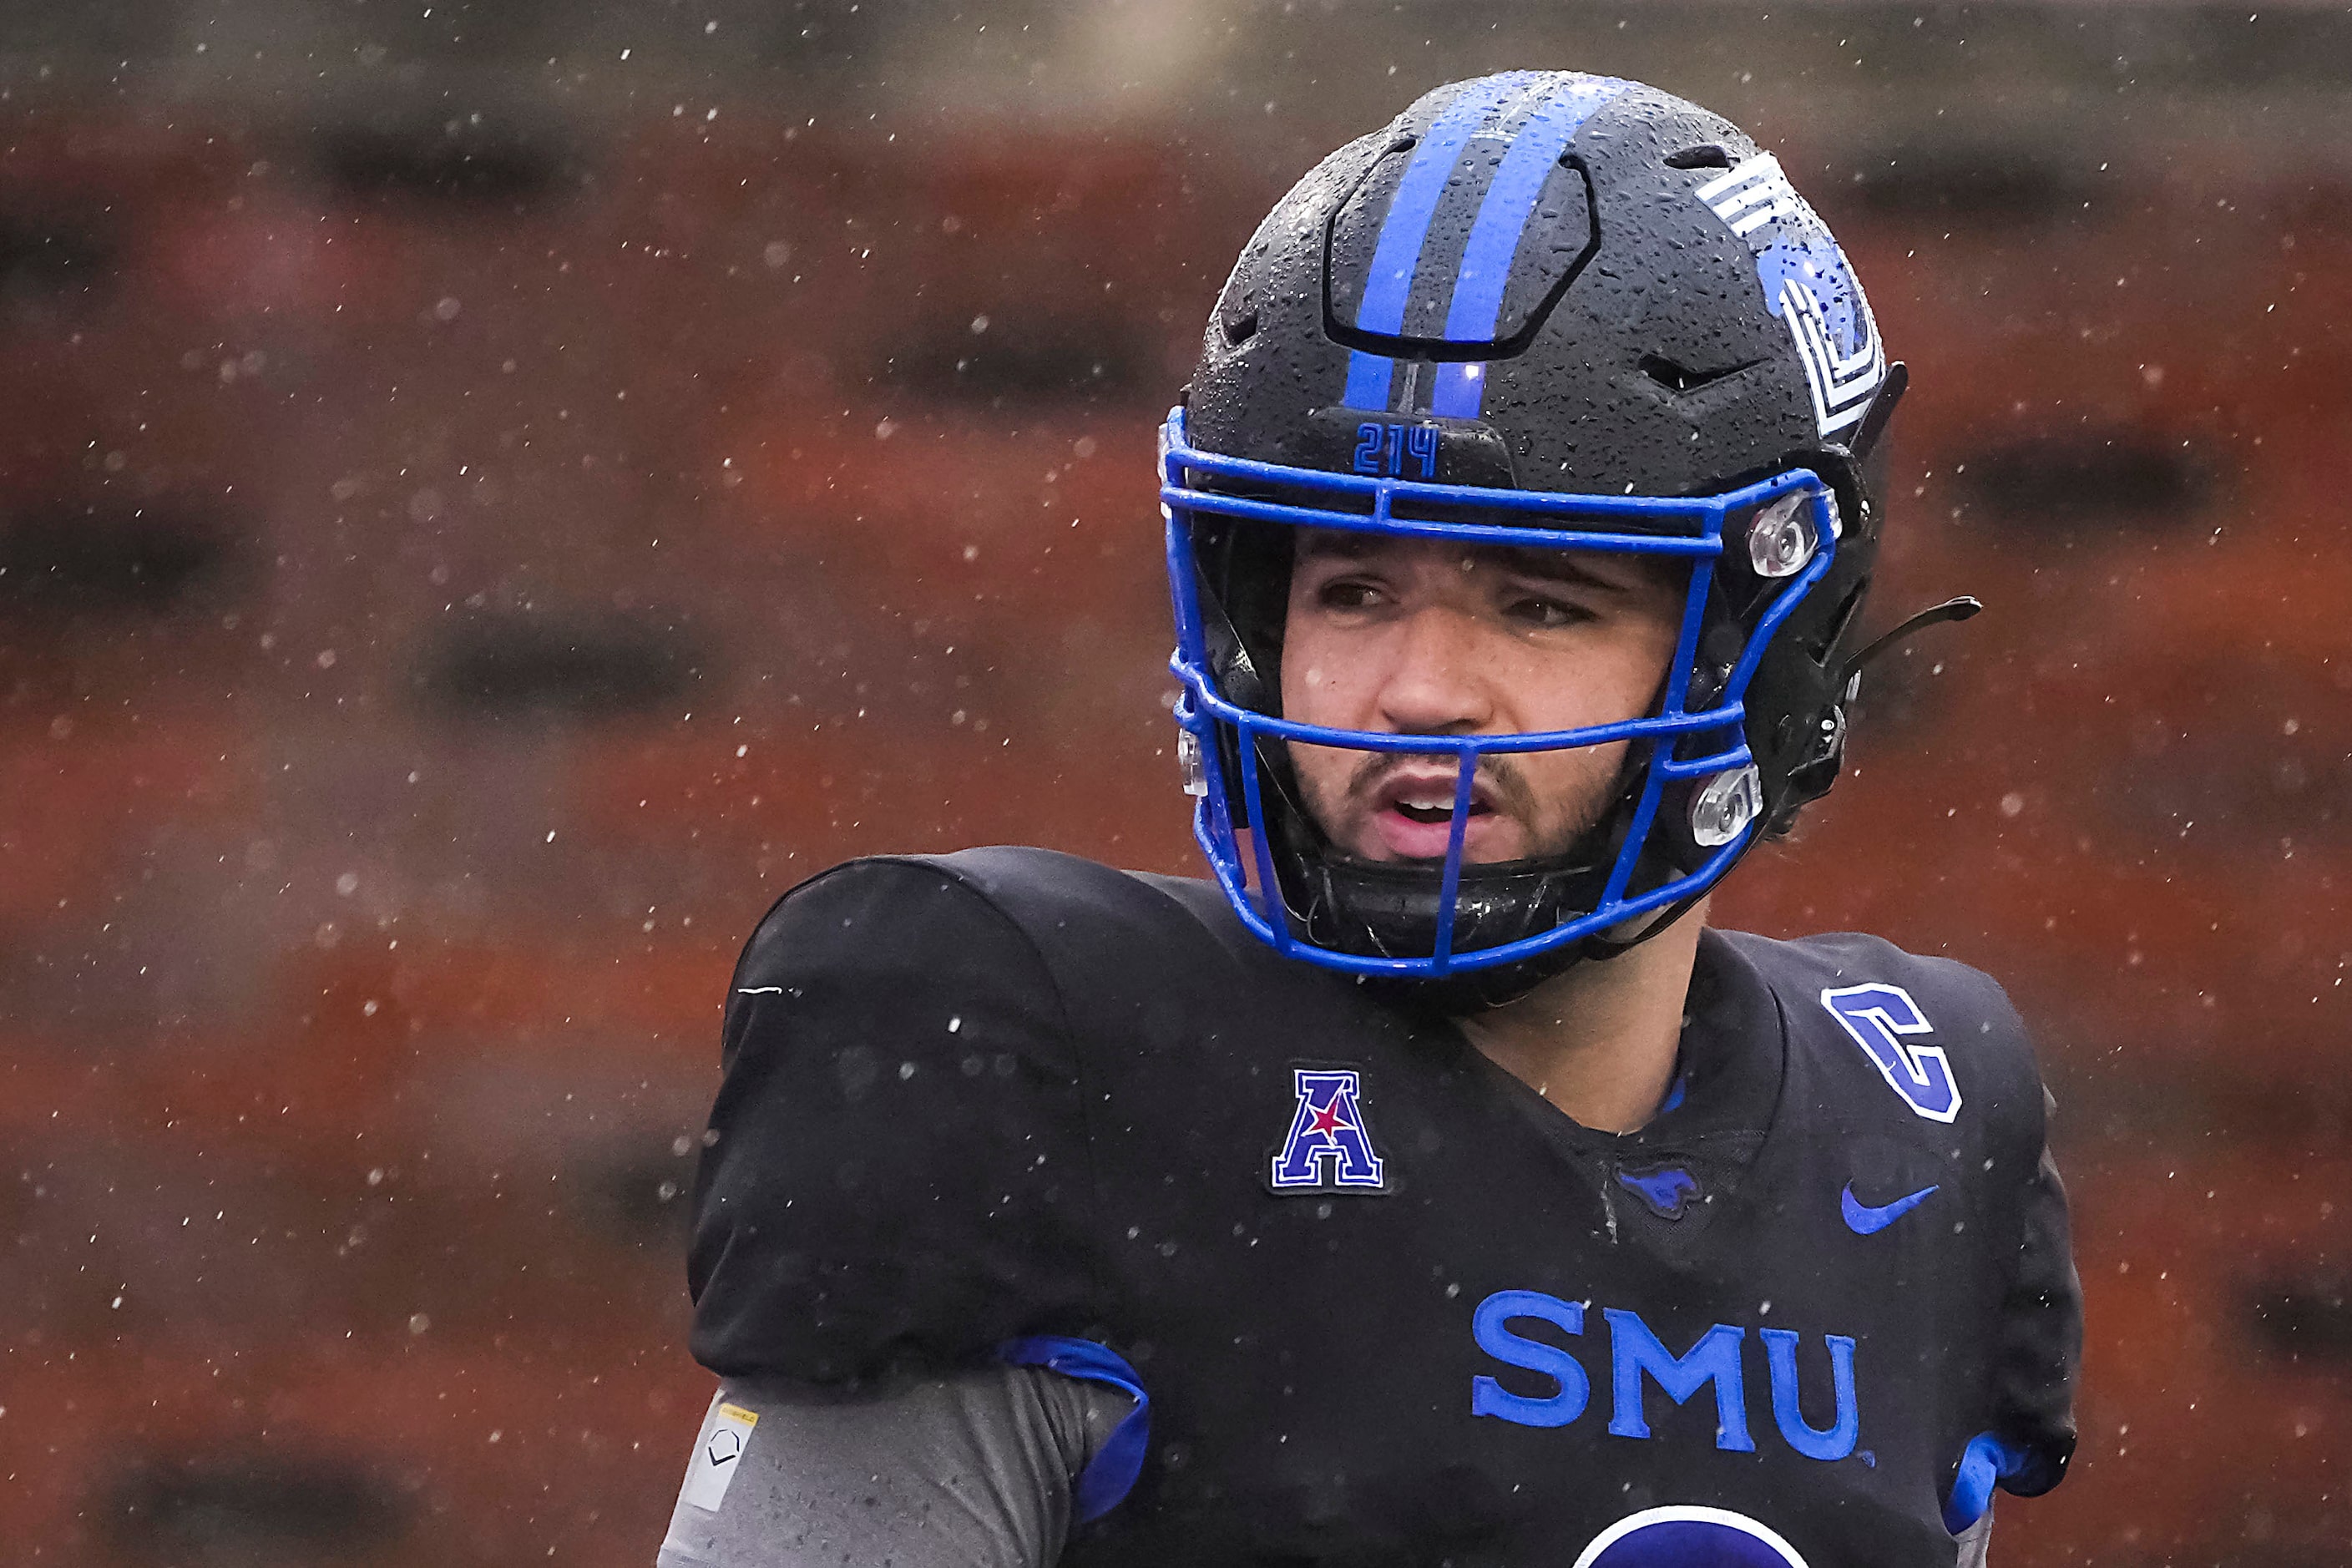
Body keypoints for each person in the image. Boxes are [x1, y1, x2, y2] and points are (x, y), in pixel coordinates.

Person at [656, 70, 2080, 1568]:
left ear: (1759, 656)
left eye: (1540, 601)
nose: (1418, 691)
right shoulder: (1039, 1055)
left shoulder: (1915, 1126)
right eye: (1353, 588)